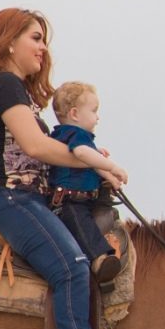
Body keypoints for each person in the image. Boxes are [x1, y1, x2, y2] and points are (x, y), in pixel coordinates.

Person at [0, 8, 147, 329]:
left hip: (35, 200)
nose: (43, 49)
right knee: (72, 267)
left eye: (44, 40)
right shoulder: (4, 84)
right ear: (9, 41)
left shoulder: (20, 94)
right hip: (9, 199)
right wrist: (96, 165)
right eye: (36, 38)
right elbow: (35, 147)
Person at [46, 80, 122, 281]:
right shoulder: (75, 135)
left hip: (84, 199)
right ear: (75, 114)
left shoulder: (75, 137)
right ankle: (99, 258)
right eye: (94, 111)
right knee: (81, 224)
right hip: (70, 202)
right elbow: (82, 154)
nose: (98, 118)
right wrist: (112, 166)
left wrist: (110, 177)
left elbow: (90, 162)